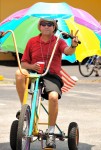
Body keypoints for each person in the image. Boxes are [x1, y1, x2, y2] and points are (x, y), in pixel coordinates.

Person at [15, 17, 79, 148]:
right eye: (43, 24)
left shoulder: (58, 41)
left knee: (53, 97)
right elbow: (23, 63)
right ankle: (24, 111)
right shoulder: (32, 41)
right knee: (19, 73)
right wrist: (32, 67)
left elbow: (68, 51)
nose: (46, 26)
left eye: (50, 24)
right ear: (39, 27)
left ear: (54, 27)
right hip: (34, 74)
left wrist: (73, 45)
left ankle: (50, 133)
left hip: (52, 76)